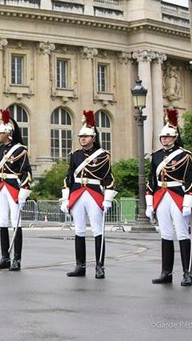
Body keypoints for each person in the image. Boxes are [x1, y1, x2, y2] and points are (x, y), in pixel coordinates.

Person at [61, 111, 116, 279]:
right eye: (80, 136)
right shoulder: (75, 155)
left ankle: (100, 266)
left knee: (97, 230)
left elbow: (108, 178)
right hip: (77, 192)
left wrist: (107, 198)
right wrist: (65, 197)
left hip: (93, 192)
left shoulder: (103, 155)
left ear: (93, 138)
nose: (82, 139)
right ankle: (80, 266)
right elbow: (69, 177)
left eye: (86, 136)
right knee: (79, 230)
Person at [146, 109, 192, 286]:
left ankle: (187, 272)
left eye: (167, 137)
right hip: (161, 195)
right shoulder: (156, 156)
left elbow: (190, 179)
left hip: (177, 195)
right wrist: (149, 202)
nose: (164, 140)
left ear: (175, 138)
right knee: (166, 234)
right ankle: (166, 272)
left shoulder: (185, 155)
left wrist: (188, 202)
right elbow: (151, 180)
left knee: (182, 234)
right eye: (162, 137)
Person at [0, 109, 32, 271]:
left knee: (16, 222)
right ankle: (5, 257)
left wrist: (23, 192)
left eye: (0, 133)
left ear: (8, 133)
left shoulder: (20, 150)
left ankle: (17, 259)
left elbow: (26, 172)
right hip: (1, 187)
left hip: (14, 187)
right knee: (3, 222)